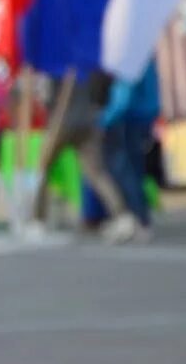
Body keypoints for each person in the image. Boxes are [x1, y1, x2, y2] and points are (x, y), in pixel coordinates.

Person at [53, 74, 141, 243]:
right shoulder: (88, 65)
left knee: (42, 168)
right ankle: (122, 215)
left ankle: (35, 217)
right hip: (88, 120)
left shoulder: (55, 65)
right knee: (98, 173)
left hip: (64, 120)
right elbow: (103, 88)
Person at [101, 60, 161, 241]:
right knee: (135, 169)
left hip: (127, 117)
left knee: (124, 170)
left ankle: (136, 219)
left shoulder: (131, 56)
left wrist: (104, 119)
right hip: (143, 115)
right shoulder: (146, 56)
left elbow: (123, 96)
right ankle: (141, 218)